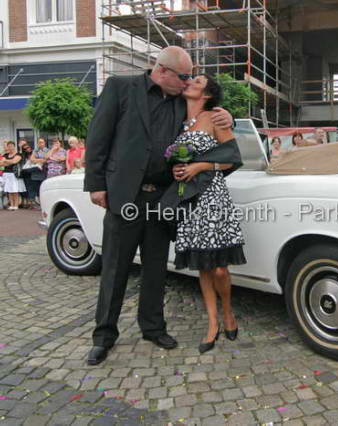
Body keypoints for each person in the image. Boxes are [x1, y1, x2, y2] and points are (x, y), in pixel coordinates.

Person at [83, 46, 233, 366]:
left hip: (163, 199)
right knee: (115, 268)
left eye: (191, 77)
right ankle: (104, 336)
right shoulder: (121, 87)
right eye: (184, 76)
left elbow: (207, 114)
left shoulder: (182, 101)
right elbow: (98, 136)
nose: (188, 81)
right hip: (125, 195)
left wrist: (227, 114)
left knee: (155, 268)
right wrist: (96, 184)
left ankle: (152, 327)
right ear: (162, 70)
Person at [171, 74, 245, 354]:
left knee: (220, 268)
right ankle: (213, 323)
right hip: (189, 198)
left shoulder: (215, 117)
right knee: (203, 265)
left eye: (198, 81)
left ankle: (228, 312)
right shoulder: (178, 120)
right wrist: (177, 169)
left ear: (208, 94)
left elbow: (232, 158)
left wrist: (200, 166)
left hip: (213, 197)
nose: (190, 81)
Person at [0, 141, 26, 210]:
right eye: (9, 146)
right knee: (9, 191)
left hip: (14, 174)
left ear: (14, 147)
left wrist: (6, 161)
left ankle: (16, 205)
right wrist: (8, 161)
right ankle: (11, 205)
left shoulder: (18, 154)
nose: (10, 147)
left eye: (11, 146)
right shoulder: (5, 155)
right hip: (6, 174)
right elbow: (1, 163)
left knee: (15, 190)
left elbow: (14, 161)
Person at [17, 139, 34, 208]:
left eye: (24, 144)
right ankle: (23, 201)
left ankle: (29, 202)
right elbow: (19, 157)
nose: (26, 148)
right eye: (22, 144)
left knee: (29, 187)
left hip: (29, 172)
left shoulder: (31, 152)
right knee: (22, 187)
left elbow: (31, 158)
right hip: (22, 172)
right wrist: (20, 149)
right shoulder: (20, 153)